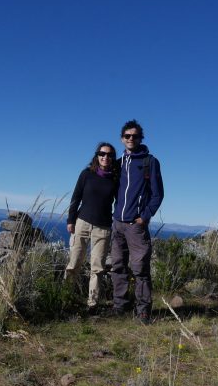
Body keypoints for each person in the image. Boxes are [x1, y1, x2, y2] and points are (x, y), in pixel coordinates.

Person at [109, 119, 164, 324]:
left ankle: (143, 310)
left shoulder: (150, 162)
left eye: (135, 136)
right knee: (118, 266)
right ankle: (120, 305)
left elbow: (157, 195)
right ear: (122, 138)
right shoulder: (119, 162)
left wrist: (144, 217)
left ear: (141, 138)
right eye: (127, 136)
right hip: (117, 223)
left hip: (135, 225)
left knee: (140, 269)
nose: (131, 139)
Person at [65, 142, 119, 310]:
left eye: (110, 155)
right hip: (82, 223)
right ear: (97, 155)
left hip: (103, 228)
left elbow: (119, 203)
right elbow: (76, 197)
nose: (105, 157)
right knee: (74, 263)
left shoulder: (116, 179)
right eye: (102, 154)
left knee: (97, 268)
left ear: (113, 158)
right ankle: (65, 298)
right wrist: (70, 220)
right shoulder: (86, 174)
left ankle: (92, 304)